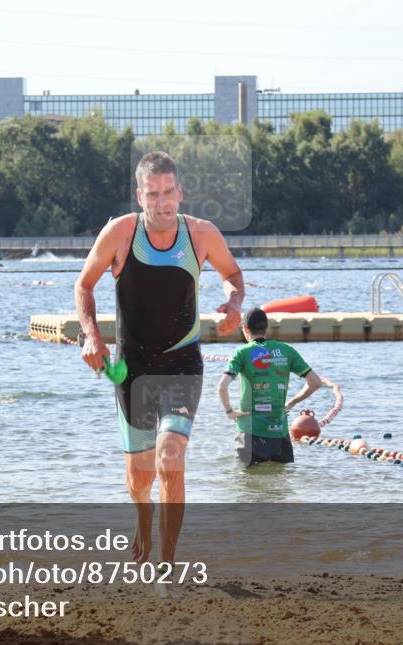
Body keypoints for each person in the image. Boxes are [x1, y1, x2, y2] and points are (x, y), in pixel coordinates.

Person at [75, 151, 244, 578]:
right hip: (131, 370)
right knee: (140, 479)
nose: (163, 202)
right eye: (153, 194)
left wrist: (235, 302)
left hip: (182, 364)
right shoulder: (120, 233)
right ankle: (142, 518)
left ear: (180, 192)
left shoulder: (202, 235)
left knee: (171, 456)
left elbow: (233, 275)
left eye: (169, 192)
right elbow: (84, 284)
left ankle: (166, 567)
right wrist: (92, 333)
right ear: (140, 196)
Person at [218, 307, 323, 466]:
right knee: (280, 484)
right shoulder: (286, 350)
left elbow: (222, 387)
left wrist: (229, 412)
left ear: (245, 329)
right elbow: (315, 382)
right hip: (279, 434)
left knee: (247, 487)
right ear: (266, 328)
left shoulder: (242, 352)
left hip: (249, 432)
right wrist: (292, 402)